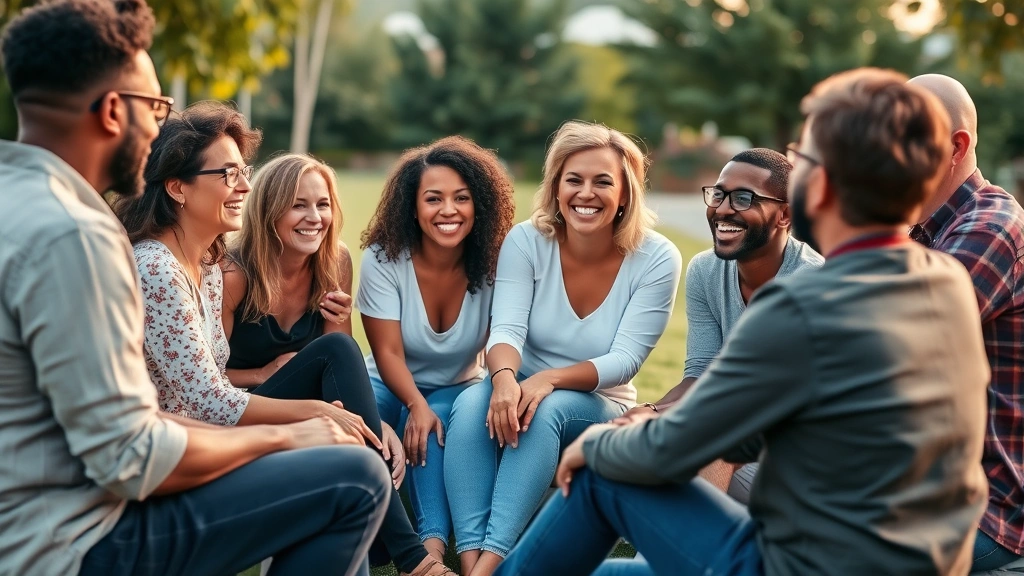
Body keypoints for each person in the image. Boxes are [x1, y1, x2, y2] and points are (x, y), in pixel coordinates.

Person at [495, 68, 990, 576]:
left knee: (603, 475)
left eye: (804, 157)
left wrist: (599, 442)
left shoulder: (801, 302)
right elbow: (754, 428)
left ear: (820, 184)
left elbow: (670, 451)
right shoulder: (944, 281)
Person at [0, 1, 389, 575]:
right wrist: (287, 437)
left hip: (48, 516)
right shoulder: (74, 238)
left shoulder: (19, 203)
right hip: (72, 542)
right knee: (356, 477)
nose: (160, 128)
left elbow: (138, 418)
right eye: (155, 107)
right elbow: (134, 459)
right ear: (112, 111)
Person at [444, 121, 683, 576]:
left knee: (547, 409)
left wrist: (546, 379)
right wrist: (503, 380)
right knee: (471, 400)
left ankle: (490, 564)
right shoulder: (527, 240)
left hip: (600, 404)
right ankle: (471, 557)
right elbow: (506, 330)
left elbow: (624, 360)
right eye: (573, 180)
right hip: (519, 386)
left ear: (626, 194)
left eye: (603, 181)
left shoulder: (657, 257)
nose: (585, 193)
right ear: (556, 188)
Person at [221, 152, 456, 576]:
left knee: (350, 384)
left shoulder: (334, 262)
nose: (315, 217)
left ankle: (376, 551)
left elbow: (339, 375)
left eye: (323, 204)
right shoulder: (233, 274)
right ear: (269, 209)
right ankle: (412, 557)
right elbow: (199, 379)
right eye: (299, 205)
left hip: (309, 414)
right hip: (243, 410)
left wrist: (377, 424)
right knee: (343, 358)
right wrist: (261, 374)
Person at [614, 148, 823, 502]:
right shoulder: (705, 270)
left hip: (806, 464)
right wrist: (648, 413)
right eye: (719, 194)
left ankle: (676, 554)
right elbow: (701, 373)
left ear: (784, 214)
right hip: (737, 443)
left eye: (744, 198)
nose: (723, 209)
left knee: (704, 443)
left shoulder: (813, 284)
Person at [356, 137, 516, 562]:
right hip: (387, 382)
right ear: (412, 206)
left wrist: (424, 408)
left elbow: (508, 334)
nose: (449, 210)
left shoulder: (497, 261)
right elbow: (387, 352)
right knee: (358, 428)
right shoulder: (383, 258)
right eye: (434, 199)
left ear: (479, 204)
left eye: (462, 198)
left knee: (433, 419)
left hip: (458, 386)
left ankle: (429, 551)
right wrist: (413, 401)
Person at [907, 74, 1024, 573]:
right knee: (702, 471)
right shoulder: (919, 231)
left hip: (978, 512)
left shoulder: (993, 228)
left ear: (956, 145)